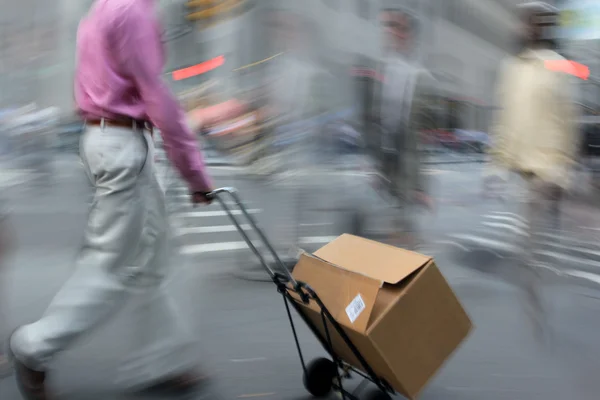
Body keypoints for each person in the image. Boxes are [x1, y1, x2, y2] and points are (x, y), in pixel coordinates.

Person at [5, 0, 244, 398]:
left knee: (159, 257)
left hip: (116, 140)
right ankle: (33, 346)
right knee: (111, 265)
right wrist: (195, 173)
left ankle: (165, 359)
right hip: (123, 144)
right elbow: (157, 97)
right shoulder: (132, 12)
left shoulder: (102, 10)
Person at [487, 2, 577, 338]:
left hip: (548, 168)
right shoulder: (511, 67)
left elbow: (568, 121)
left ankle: (534, 296)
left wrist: (563, 168)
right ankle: (538, 281)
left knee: (532, 236)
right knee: (535, 235)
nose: (529, 26)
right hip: (521, 167)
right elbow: (504, 118)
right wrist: (495, 165)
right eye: (525, 20)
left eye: (536, 21)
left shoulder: (559, 65)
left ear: (545, 26)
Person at [374, 6, 435, 249]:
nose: (393, 33)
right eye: (389, 26)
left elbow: (422, 140)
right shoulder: (377, 70)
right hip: (379, 164)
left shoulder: (420, 77)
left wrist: (421, 186)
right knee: (381, 232)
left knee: (402, 230)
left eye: (400, 28)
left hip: (404, 166)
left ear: (410, 35)